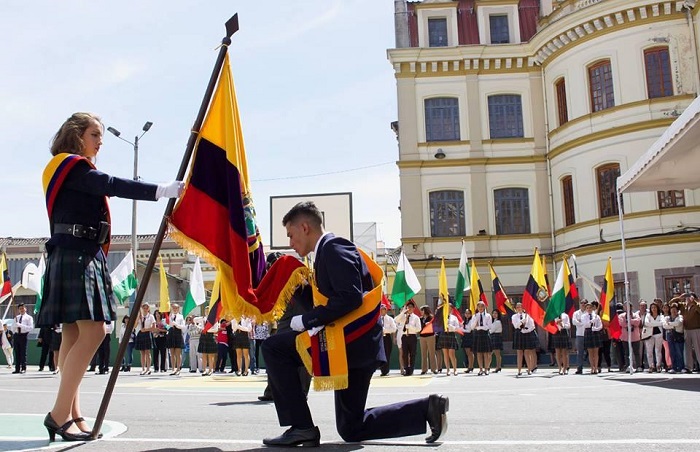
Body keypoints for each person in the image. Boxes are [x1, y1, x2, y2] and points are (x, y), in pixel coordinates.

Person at [36, 112, 182, 441]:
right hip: (77, 253)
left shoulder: (68, 169)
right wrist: (160, 190)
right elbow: (111, 185)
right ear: (76, 135)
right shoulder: (72, 165)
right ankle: (59, 414)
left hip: (81, 252)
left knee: (74, 337)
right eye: (94, 134)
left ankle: (72, 415)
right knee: (97, 331)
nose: (100, 141)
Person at [261, 201, 448, 446]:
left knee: (274, 348)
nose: (290, 243)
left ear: (305, 227)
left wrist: (305, 320)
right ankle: (427, 408)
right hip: (354, 346)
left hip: (351, 344)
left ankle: (301, 426)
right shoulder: (327, 252)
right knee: (352, 428)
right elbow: (333, 300)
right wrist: (297, 287)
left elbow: (349, 298)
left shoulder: (333, 248)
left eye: (291, 234)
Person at [395, 300, 421, 376]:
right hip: (404, 337)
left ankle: (411, 369)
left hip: (412, 336)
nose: (409, 308)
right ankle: (406, 369)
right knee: (404, 354)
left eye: (411, 307)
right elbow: (396, 320)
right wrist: (403, 312)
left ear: (413, 308)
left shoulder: (416, 318)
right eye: (408, 307)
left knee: (412, 354)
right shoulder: (403, 316)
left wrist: (410, 327)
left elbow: (418, 329)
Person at [512, 302, 537, 376]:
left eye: (520, 307)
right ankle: (519, 370)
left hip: (526, 333)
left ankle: (529, 369)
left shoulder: (527, 315)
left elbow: (532, 326)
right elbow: (516, 325)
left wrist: (526, 330)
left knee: (527, 352)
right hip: (518, 333)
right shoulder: (514, 316)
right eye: (517, 307)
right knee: (519, 352)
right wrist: (522, 321)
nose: (519, 308)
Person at [436, 303, 460, 376]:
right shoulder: (442, 317)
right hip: (444, 335)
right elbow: (438, 326)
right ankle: (448, 370)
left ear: (452, 309)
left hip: (451, 335)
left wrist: (450, 326)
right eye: (447, 308)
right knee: (445, 354)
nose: (448, 309)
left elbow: (457, 328)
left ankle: (455, 369)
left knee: (451, 354)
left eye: (450, 308)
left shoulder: (454, 318)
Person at [470, 301, 493, 376]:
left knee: (486, 353)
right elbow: (472, 327)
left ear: (484, 307)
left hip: (485, 334)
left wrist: (479, 327)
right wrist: (476, 322)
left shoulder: (488, 316)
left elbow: (488, 326)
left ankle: (486, 369)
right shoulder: (475, 316)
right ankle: (480, 369)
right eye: (479, 307)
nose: (480, 308)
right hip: (478, 335)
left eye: (482, 306)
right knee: (479, 353)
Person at [681, 293, 700, 373]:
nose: (687, 299)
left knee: (698, 348)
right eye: (686, 298)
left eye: (689, 297)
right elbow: (672, 303)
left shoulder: (697, 305)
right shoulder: (684, 307)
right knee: (687, 349)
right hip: (686, 329)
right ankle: (689, 367)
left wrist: (695, 302)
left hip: (696, 329)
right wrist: (680, 297)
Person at [663, 302, 684, 373]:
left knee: (679, 352)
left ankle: (681, 367)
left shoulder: (680, 317)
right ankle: (674, 367)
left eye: (675, 310)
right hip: (670, 336)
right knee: (672, 352)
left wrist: (670, 324)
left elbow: (679, 323)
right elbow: (665, 326)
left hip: (678, 335)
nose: (673, 311)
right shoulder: (667, 318)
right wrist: (673, 325)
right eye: (672, 310)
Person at [643, 301, 664, 373]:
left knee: (658, 350)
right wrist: (656, 324)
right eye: (652, 307)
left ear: (657, 308)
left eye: (655, 307)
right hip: (649, 334)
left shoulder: (661, 316)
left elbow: (662, 323)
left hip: (658, 334)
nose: (654, 309)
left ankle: (658, 365)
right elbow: (646, 323)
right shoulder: (648, 315)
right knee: (649, 351)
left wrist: (651, 324)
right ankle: (651, 366)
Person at [13, 302, 34, 374]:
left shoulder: (29, 318)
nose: (21, 310)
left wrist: (21, 325)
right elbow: (12, 328)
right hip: (16, 335)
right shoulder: (16, 318)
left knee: (23, 352)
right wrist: (15, 326)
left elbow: (30, 328)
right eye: (20, 308)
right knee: (17, 352)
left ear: (25, 309)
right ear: (18, 310)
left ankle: (23, 368)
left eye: (22, 308)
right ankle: (17, 368)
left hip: (23, 335)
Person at [582, 303, 602, 374]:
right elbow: (584, 325)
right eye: (587, 308)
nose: (589, 309)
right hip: (588, 332)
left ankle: (596, 367)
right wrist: (591, 321)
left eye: (590, 308)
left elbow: (600, 325)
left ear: (592, 308)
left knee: (596, 352)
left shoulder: (596, 316)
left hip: (595, 333)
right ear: (586, 309)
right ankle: (592, 367)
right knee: (590, 352)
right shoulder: (584, 316)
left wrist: (596, 328)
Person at [135, 303, 156, 375]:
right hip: (141, 334)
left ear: (148, 309)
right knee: (142, 353)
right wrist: (138, 317)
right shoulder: (140, 316)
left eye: (146, 308)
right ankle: (143, 368)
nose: (145, 309)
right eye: (144, 308)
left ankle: (148, 368)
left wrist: (146, 329)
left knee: (147, 352)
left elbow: (153, 327)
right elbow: (135, 326)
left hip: (147, 334)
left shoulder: (151, 316)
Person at [166, 303, 186, 376]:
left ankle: (178, 368)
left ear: (178, 309)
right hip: (171, 332)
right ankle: (173, 369)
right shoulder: (170, 316)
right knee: (172, 353)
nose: (174, 309)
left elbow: (183, 326)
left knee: (178, 353)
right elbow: (167, 325)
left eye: (176, 308)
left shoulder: (181, 316)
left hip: (178, 332)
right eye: (173, 308)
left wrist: (176, 325)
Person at [418, 305, 437, 375]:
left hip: (430, 336)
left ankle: (434, 369)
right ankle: (424, 369)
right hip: (422, 336)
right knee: (423, 353)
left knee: (432, 352)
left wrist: (430, 324)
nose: (421, 312)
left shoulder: (431, 318)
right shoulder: (420, 319)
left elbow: (435, 326)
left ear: (425, 310)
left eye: (422, 310)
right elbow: (419, 327)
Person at [378, 305, 396, 376]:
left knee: (387, 353)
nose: (382, 311)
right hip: (380, 337)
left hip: (387, 337)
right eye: (381, 309)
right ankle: (382, 370)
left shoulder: (390, 319)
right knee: (381, 354)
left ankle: (386, 370)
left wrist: (386, 330)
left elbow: (394, 328)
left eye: (384, 309)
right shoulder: (378, 318)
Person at [552, 310, 571, 375]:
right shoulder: (553, 315)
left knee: (564, 352)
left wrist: (562, 324)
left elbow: (568, 325)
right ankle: (560, 367)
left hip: (563, 332)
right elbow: (550, 324)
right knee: (557, 351)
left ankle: (565, 368)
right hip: (556, 332)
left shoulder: (565, 315)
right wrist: (556, 324)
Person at [571, 300, 588, 374]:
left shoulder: (589, 312)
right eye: (582, 303)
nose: (583, 304)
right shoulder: (576, 313)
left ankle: (594, 367)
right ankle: (579, 368)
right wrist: (583, 322)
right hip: (579, 334)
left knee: (591, 351)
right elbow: (574, 322)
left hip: (588, 334)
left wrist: (580, 321)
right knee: (579, 352)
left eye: (585, 303)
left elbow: (589, 322)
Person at [461, 309, 474, 373]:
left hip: (469, 336)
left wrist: (461, 329)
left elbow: (468, 330)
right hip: (465, 337)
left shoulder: (471, 320)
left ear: (471, 314)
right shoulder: (465, 321)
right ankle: (469, 366)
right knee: (467, 352)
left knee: (470, 353)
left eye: (468, 313)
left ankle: (470, 366)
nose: (467, 314)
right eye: (466, 313)